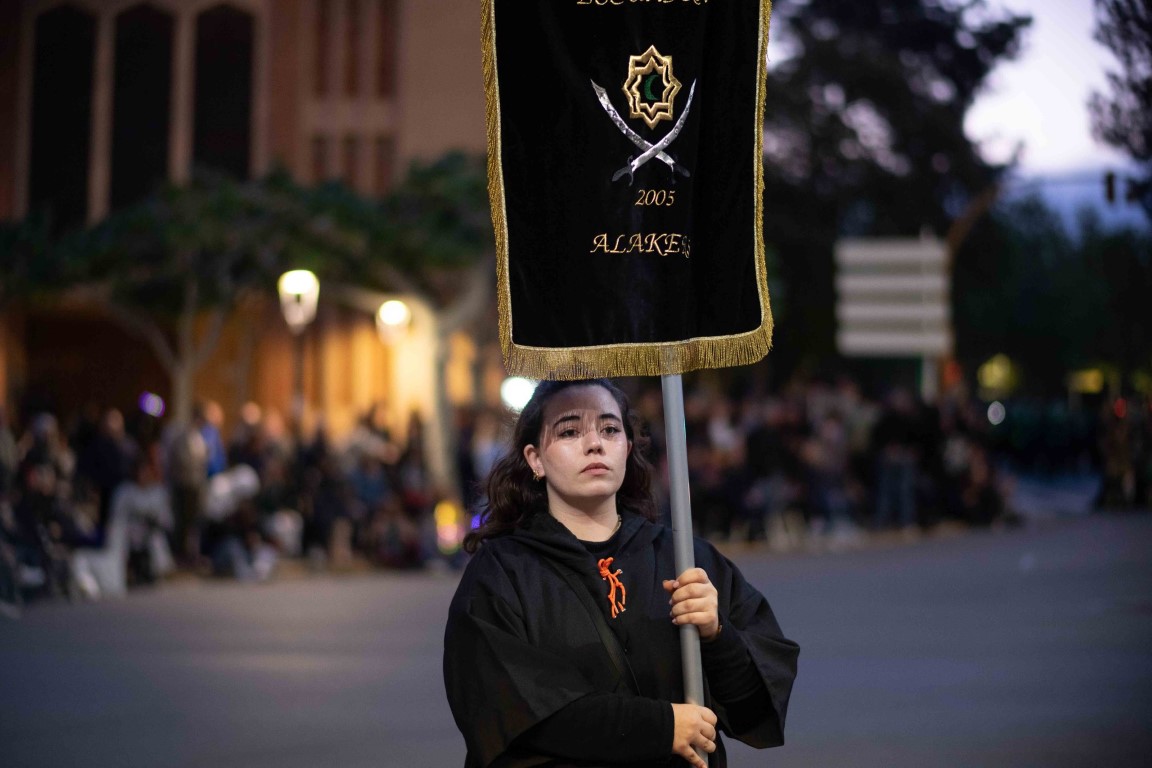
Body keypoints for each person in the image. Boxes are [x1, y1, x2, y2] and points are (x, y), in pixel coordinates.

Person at [443, 379, 799, 768]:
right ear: (535, 459)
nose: (594, 443)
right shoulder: (501, 573)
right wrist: (661, 727)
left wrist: (718, 636)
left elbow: (753, 707)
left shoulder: (685, 559)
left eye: (610, 429)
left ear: (627, 448)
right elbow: (515, 713)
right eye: (569, 431)